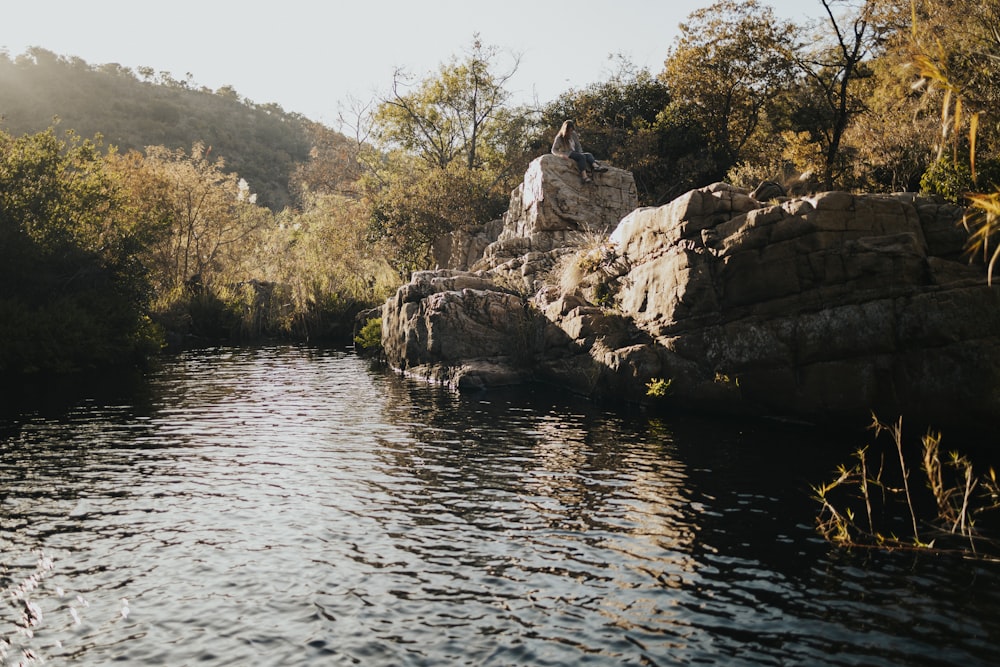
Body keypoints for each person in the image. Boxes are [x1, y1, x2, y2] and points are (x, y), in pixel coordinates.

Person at [551, 120, 607, 184]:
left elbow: (578, 145)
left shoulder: (573, 134)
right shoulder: (559, 138)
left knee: (588, 154)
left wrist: (580, 152)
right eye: (569, 131)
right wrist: (561, 155)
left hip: (575, 152)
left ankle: (596, 167)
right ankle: (584, 177)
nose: (570, 133)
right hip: (567, 153)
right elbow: (553, 150)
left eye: (571, 131)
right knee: (581, 157)